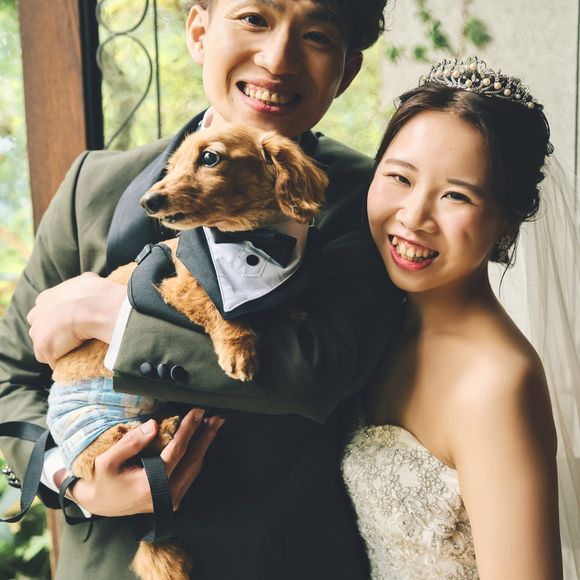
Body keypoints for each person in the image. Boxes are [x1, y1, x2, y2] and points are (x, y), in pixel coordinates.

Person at [0, 1, 403, 579]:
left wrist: (118, 319)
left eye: (316, 35)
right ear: (198, 31)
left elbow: (323, 371)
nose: (277, 59)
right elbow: (10, 377)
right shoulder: (92, 184)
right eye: (254, 18)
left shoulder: (375, 198)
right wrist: (73, 479)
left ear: (347, 70)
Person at [342, 56, 580, 578]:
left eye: (456, 195)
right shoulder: (377, 320)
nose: (414, 217)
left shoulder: (498, 384)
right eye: (400, 178)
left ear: (507, 221)